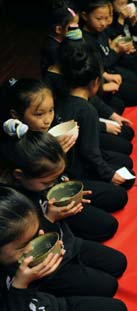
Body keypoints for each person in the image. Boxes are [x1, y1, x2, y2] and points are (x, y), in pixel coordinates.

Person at [0, 126, 127, 299]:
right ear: (18, 175)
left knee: (118, 262)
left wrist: (66, 193)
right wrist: (51, 218)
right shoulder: (15, 205)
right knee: (108, 287)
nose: (52, 185)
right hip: (47, 266)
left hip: (67, 241)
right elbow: (35, 240)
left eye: (56, 179)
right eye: (47, 183)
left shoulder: (37, 180)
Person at [1, 77, 129, 215]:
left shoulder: (49, 126)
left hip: (62, 177)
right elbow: (41, 183)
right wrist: (57, 155)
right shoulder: (18, 147)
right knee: (113, 206)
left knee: (124, 177)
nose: (47, 120)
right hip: (46, 200)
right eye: (39, 114)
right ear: (16, 115)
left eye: (51, 110)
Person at [0, 186, 128, 311]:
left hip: (46, 298)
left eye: (35, 234)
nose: (33, 245)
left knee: (114, 279)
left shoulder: (20, 217)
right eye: (23, 245)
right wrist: (20, 285)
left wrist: (50, 221)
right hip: (25, 299)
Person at [57, 40, 135, 190]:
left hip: (71, 158)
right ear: (96, 82)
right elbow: (90, 153)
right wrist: (109, 174)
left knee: (126, 161)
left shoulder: (65, 94)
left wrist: (112, 117)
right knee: (126, 181)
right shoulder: (87, 111)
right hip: (78, 167)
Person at [80, 0, 137, 111]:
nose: (103, 23)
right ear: (85, 16)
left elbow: (116, 38)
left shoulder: (101, 31)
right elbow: (98, 65)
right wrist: (116, 51)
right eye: (98, 19)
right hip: (99, 80)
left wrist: (119, 45)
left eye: (106, 18)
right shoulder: (84, 40)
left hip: (111, 70)